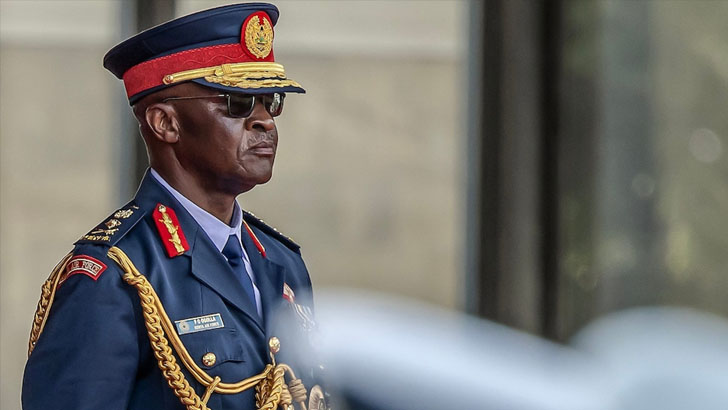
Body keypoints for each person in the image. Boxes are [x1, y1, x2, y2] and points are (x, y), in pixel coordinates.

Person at [22, 3, 328, 410]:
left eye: (270, 101)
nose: (265, 121)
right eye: (237, 103)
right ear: (166, 123)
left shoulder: (281, 260)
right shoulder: (114, 276)